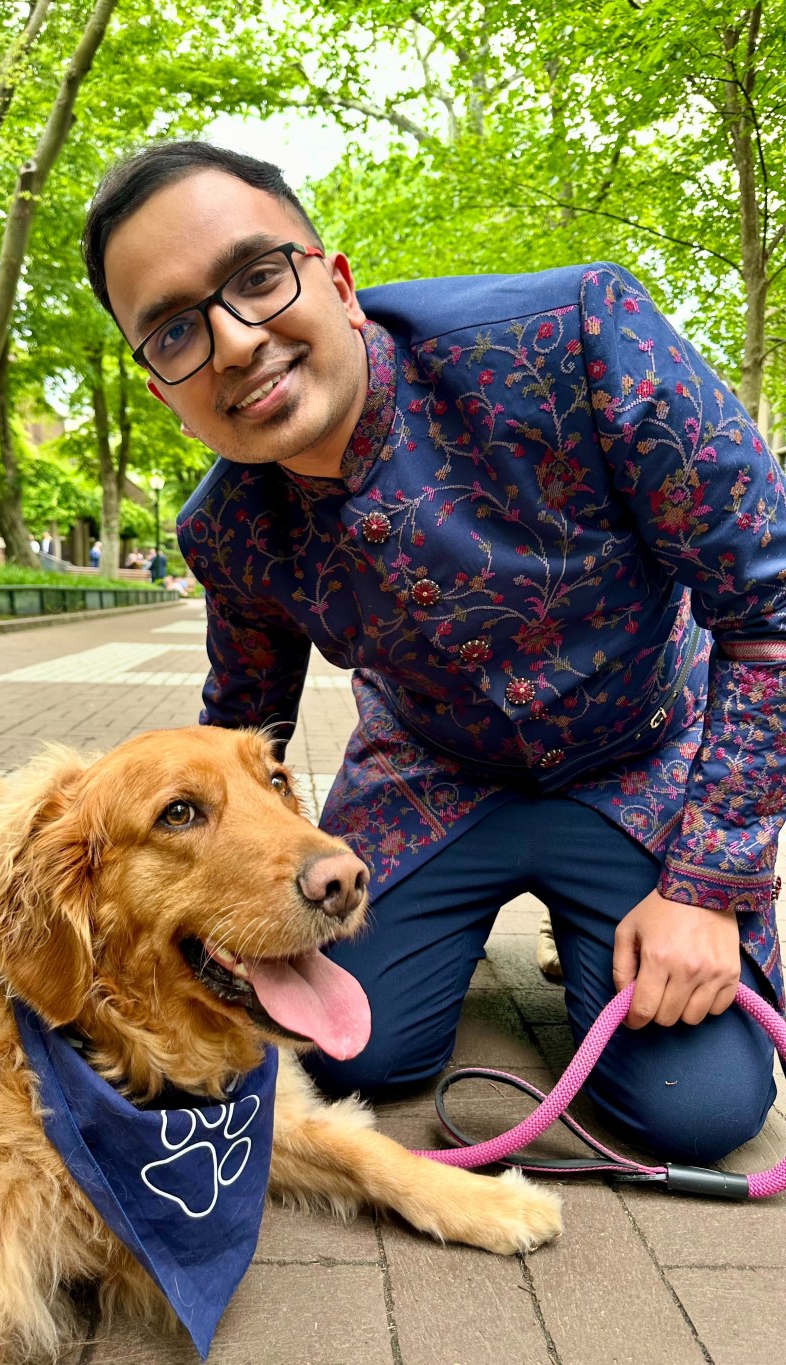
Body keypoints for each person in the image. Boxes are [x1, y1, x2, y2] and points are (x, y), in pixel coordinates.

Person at [82, 140, 786, 1164]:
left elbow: (770, 609)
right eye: (177, 331)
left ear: (337, 283)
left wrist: (709, 887)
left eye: (258, 278)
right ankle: (484, 930)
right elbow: (235, 732)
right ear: (163, 391)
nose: (233, 342)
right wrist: (184, 908)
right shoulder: (224, 529)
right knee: (345, 1049)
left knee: (702, 1108)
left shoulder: (581, 334)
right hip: (428, 775)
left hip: (643, 757)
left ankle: (593, 920)